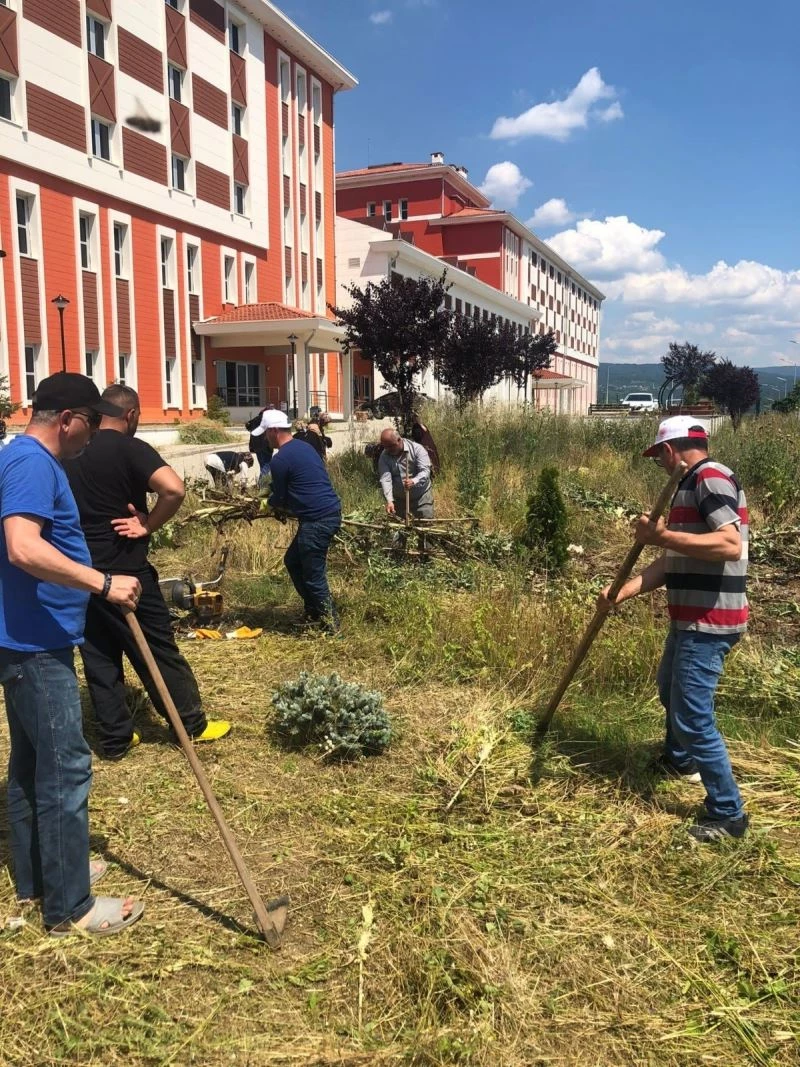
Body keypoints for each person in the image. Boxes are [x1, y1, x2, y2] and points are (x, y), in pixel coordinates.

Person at [0, 372, 144, 936]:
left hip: (30, 636)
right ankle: (70, 907)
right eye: (91, 421)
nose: (95, 432)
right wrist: (102, 583)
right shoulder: (33, 463)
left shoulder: (22, 458)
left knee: (32, 764)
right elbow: (23, 547)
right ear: (68, 420)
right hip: (35, 642)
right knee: (65, 766)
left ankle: (43, 874)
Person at [599, 416, 749, 843]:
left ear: (669, 450)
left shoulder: (710, 478)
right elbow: (672, 561)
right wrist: (621, 591)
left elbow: (729, 545)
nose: (660, 465)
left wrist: (661, 536)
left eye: (658, 457)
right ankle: (680, 761)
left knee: (692, 715)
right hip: (689, 616)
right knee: (670, 690)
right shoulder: (689, 485)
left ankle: (728, 814)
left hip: (710, 620)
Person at [65, 385, 231, 760]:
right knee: (156, 648)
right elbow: (173, 490)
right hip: (126, 571)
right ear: (132, 415)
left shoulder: (73, 450)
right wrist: (148, 524)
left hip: (80, 570)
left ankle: (116, 737)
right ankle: (190, 724)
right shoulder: (130, 448)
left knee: (98, 654)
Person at [264, 410, 341, 630]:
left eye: (266, 433)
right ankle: (313, 611)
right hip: (329, 512)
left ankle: (331, 625)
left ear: (273, 431)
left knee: (313, 576)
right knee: (293, 561)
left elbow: (280, 498)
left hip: (317, 520)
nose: (265, 438)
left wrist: (267, 503)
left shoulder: (280, 459)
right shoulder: (305, 447)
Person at [377, 428, 433, 520]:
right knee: (400, 525)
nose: (388, 450)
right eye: (385, 447)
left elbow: (425, 471)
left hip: (421, 497)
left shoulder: (417, 449)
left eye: (391, 446)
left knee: (425, 523)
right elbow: (385, 479)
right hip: (399, 500)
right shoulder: (384, 456)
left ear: (399, 440)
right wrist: (390, 501)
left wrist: (413, 481)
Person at [245, 407, 275, 484]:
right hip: (266, 445)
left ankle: (261, 484)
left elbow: (247, 426)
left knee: (263, 465)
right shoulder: (269, 419)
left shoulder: (255, 420)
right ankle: (263, 485)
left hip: (256, 446)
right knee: (266, 465)